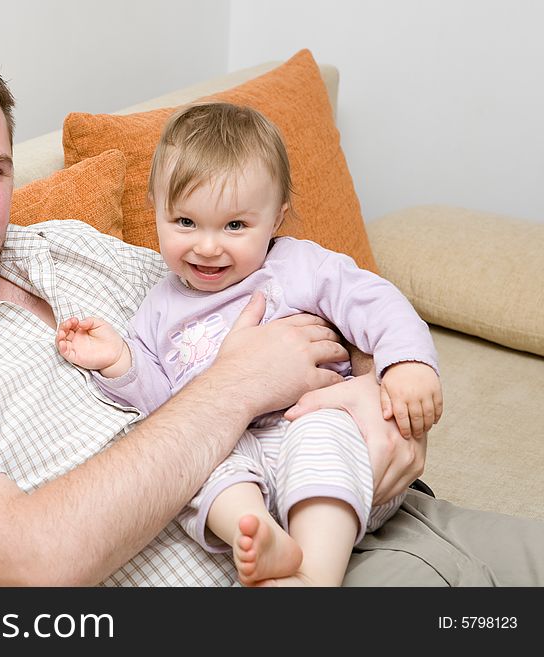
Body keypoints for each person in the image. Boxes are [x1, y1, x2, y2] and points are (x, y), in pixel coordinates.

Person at [0, 30, 544, 587]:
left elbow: (248, 294)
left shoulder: (62, 247)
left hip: (369, 509)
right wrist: (244, 383)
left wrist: (377, 396)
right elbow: (29, 569)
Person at [55, 102, 442, 586]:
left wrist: (406, 365)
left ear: (276, 219)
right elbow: (164, 404)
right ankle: (258, 534)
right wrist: (120, 362)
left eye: (235, 226)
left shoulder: (297, 266)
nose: (208, 246)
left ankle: (316, 576)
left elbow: (377, 302)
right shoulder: (157, 307)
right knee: (191, 466)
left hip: (332, 457)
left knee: (319, 430)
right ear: (155, 208)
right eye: (185, 222)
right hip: (242, 458)